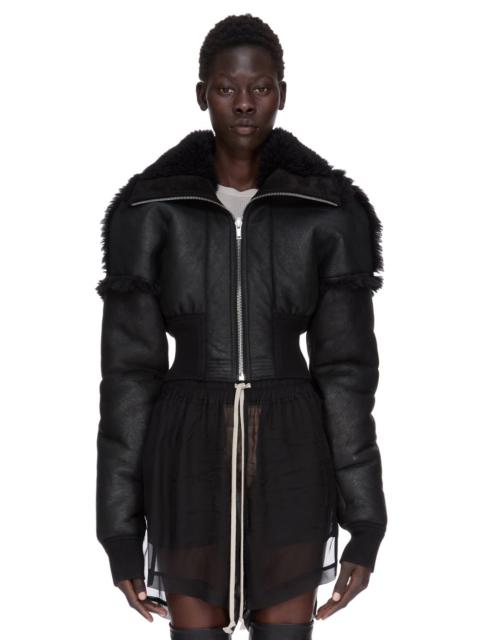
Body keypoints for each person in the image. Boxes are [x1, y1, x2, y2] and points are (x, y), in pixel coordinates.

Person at [95, 13, 388, 640]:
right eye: (227, 88)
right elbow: (127, 376)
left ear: (283, 92)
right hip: (185, 447)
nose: (245, 103)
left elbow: (347, 374)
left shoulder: (328, 211)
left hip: (292, 447)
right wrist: (118, 530)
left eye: (261, 87)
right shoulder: (150, 210)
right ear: (202, 93)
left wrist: (365, 522)